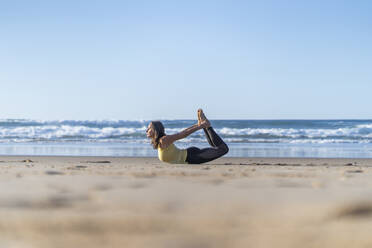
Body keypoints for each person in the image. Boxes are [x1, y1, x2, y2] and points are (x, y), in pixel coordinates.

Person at [146, 109, 229, 164]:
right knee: (217, 147)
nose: (147, 130)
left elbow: (183, 134)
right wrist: (198, 125)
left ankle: (206, 125)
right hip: (191, 156)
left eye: (149, 128)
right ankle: (205, 124)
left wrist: (199, 126)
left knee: (224, 149)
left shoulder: (164, 140)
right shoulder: (160, 142)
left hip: (193, 156)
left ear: (155, 130)